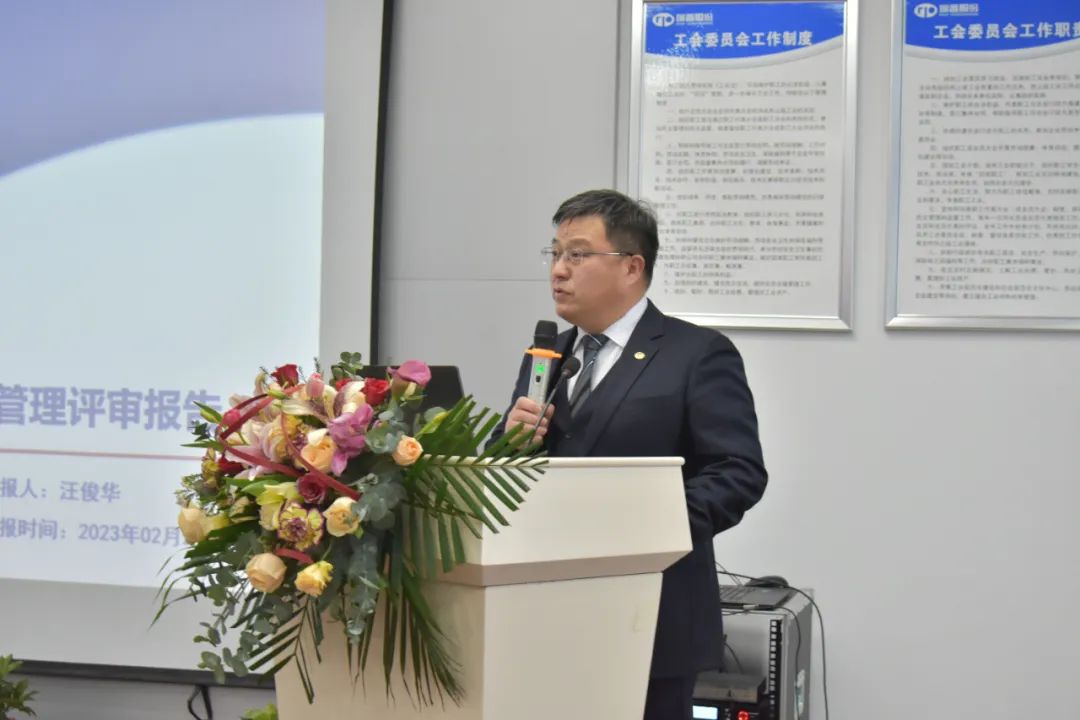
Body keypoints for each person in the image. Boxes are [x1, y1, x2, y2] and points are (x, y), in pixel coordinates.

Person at [491, 189, 768, 720]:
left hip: (651, 615)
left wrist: (645, 528)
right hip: (543, 612)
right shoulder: (547, 355)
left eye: (577, 254)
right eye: (554, 254)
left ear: (631, 266)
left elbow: (738, 472)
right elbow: (507, 475)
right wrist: (507, 443)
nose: (558, 270)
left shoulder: (696, 354)